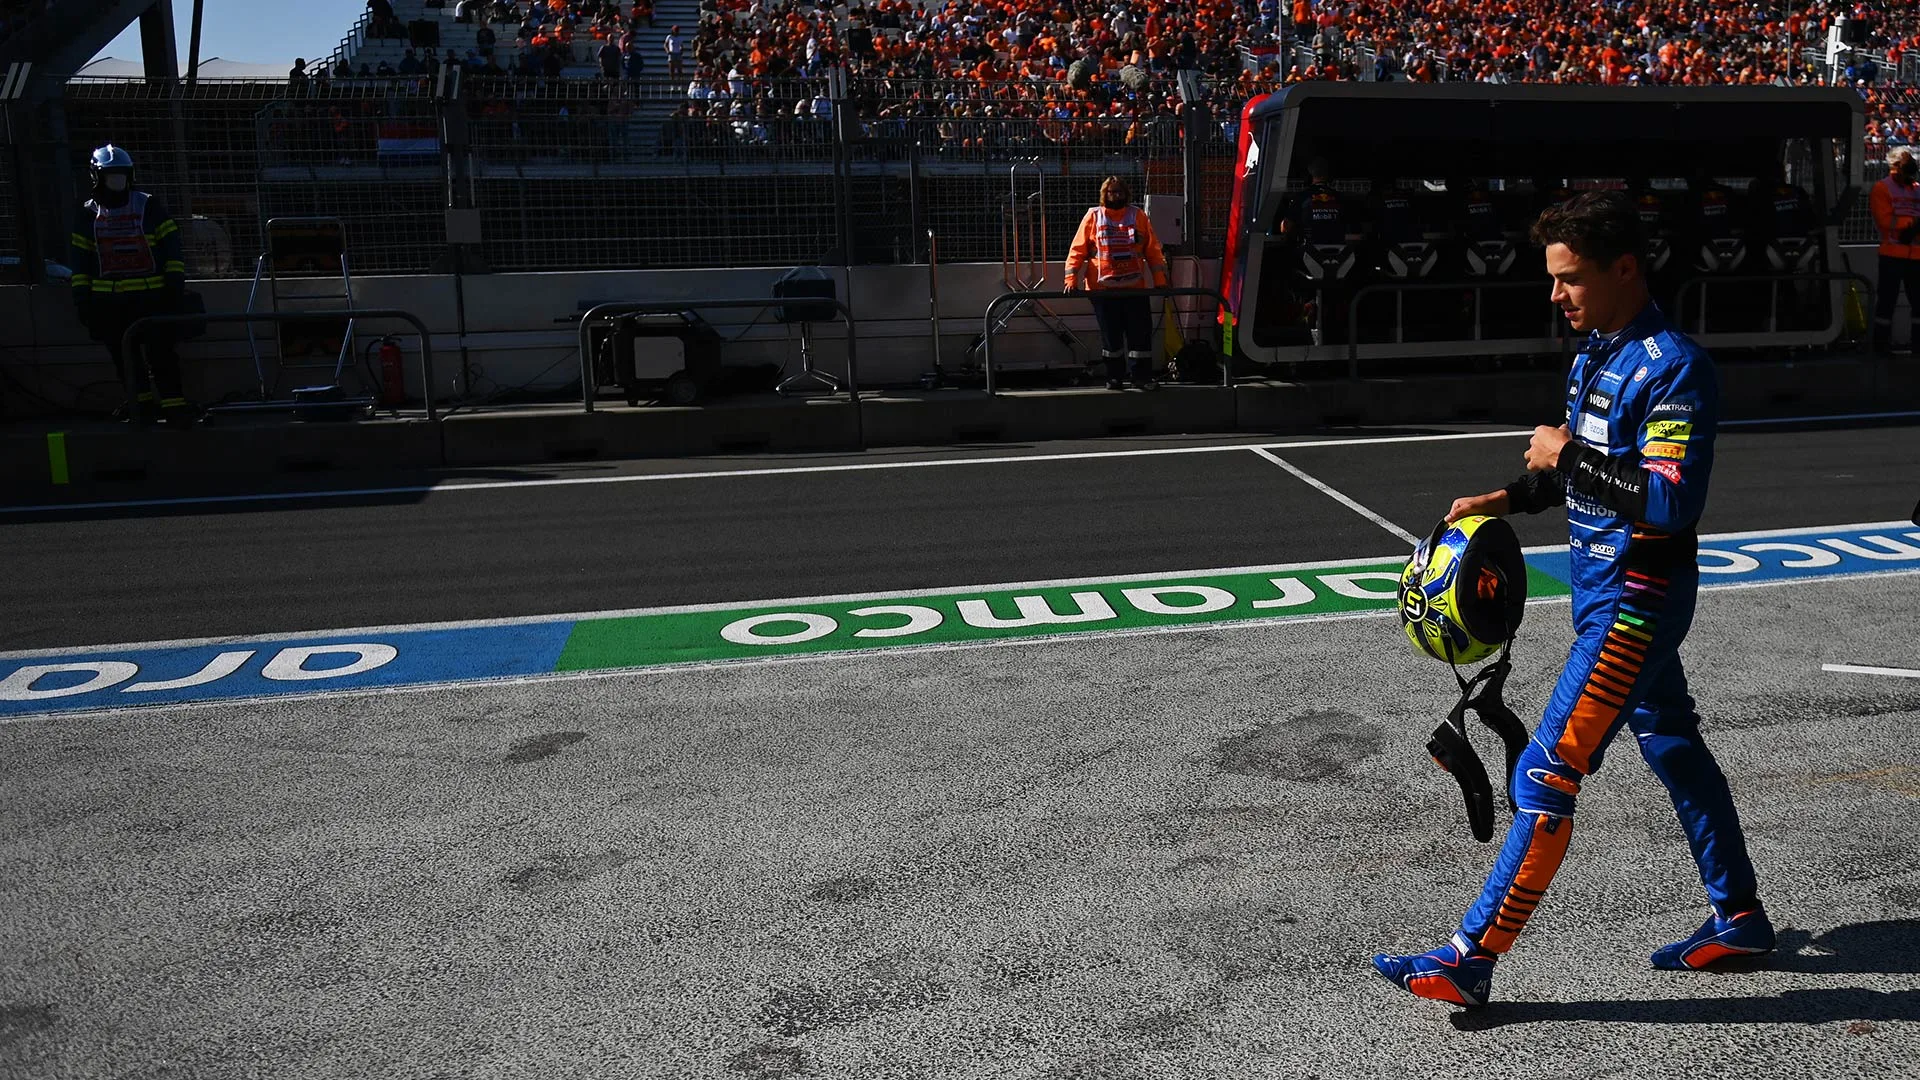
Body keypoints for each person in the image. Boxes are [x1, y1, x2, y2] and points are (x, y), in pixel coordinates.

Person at [1373, 191, 1769, 1007]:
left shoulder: (1674, 367)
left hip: (1636, 601)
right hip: (1601, 594)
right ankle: (1740, 917)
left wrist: (1565, 453)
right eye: (1554, 279)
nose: (1557, 296)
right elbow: (1581, 475)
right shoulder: (1594, 351)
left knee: (1550, 769)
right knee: (1672, 743)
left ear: (1626, 268)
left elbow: (1665, 502)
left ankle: (1469, 956)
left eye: (1572, 279)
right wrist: (1512, 497)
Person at [68, 145, 195, 426]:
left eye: (121, 176)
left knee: (162, 355)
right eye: (111, 176)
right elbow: (81, 261)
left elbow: (171, 248)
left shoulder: (149, 206)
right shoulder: (88, 215)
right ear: (97, 177)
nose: (117, 182)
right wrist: (82, 299)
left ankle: (174, 407)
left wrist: (174, 287)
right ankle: (141, 408)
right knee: (125, 359)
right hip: (108, 304)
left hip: (153, 299)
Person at [1064, 175, 1169, 391]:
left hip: (1134, 289)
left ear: (1126, 194)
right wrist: (1070, 279)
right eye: (1112, 192)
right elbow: (1077, 251)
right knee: (1111, 338)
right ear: (1105, 194)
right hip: (1102, 291)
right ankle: (1115, 378)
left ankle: (1141, 377)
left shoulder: (1138, 216)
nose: (1116, 195)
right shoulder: (1093, 216)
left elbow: (1153, 251)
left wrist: (1160, 281)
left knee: (1140, 336)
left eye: (1119, 191)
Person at [1869, 146, 1920, 355]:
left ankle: (1918, 345)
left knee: (1919, 303)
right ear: (1895, 167)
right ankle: (1880, 347)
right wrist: (1913, 224)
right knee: (1886, 303)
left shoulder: (1917, 188)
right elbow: (1884, 219)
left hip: (1917, 255)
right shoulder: (1881, 188)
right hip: (1892, 255)